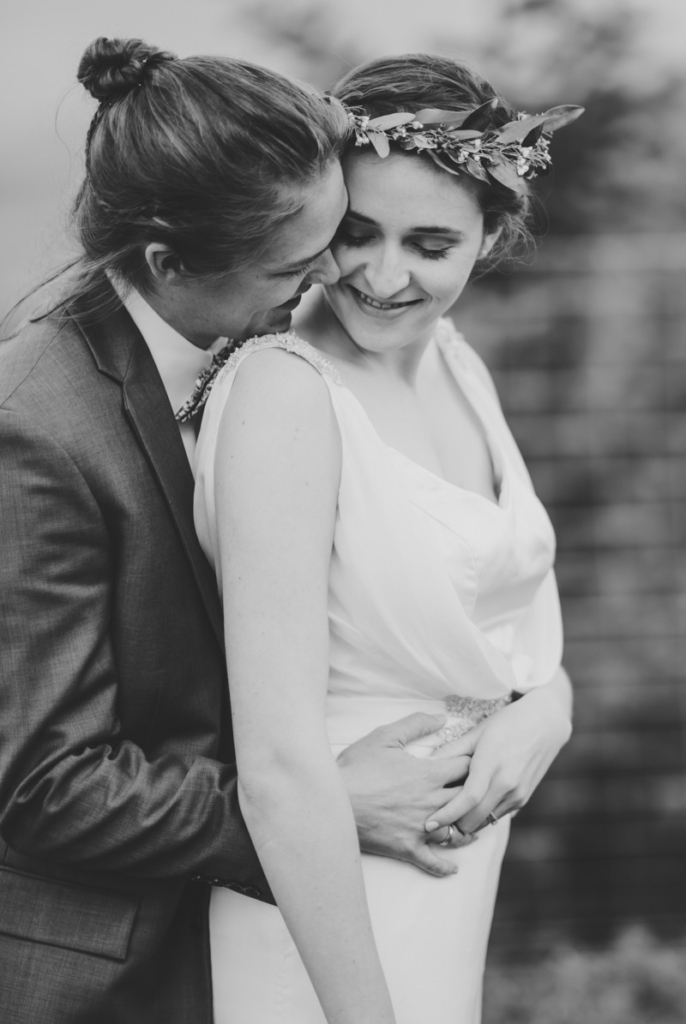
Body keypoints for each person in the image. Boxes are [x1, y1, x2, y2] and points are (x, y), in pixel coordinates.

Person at [0, 39, 478, 1024]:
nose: (330, 279)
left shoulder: (263, 356)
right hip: (101, 977)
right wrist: (318, 806)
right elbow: (45, 786)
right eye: (292, 265)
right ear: (168, 262)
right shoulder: (36, 427)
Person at [193, 53, 581, 1023]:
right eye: (356, 233)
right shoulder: (286, 395)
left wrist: (548, 705)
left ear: (490, 236)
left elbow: (500, 609)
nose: (383, 276)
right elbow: (278, 769)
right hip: (328, 900)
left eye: (430, 244)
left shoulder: (451, 360)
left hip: (446, 877)